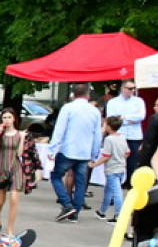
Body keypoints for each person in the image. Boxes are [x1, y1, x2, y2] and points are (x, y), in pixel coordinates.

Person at [48, 83, 101, 222]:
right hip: (85, 152)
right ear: (88, 95)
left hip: (68, 149)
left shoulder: (68, 108)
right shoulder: (94, 111)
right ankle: (75, 212)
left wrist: (52, 148)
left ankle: (66, 204)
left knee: (55, 176)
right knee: (80, 182)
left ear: (73, 95)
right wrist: (94, 154)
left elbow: (59, 130)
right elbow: (97, 135)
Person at [0, 108, 26, 235]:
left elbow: (20, 153)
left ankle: (10, 230)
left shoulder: (19, 134)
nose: (7, 120)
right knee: (0, 201)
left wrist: (22, 139)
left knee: (14, 199)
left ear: (14, 118)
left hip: (15, 168)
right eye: (4, 117)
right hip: (1, 168)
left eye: (9, 117)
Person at [89, 116, 130, 223]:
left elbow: (106, 156)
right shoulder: (122, 137)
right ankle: (102, 211)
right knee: (108, 191)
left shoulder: (109, 139)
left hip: (112, 169)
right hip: (121, 168)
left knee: (116, 193)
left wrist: (94, 164)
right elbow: (127, 152)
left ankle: (118, 215)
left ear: (109, 126)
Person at [106, 81, 146, 186]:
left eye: (134, 88)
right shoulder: (113, 102)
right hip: (119, 134)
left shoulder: (139, 101)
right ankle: (116, 182)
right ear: (123, 88)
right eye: (130, 88)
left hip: (134, 135)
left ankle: (130, 182)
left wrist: (124, 117)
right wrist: (131, 119)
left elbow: (141, 116)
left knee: (133, 160)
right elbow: (112, 119)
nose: (133, 90)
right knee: (118, 159)